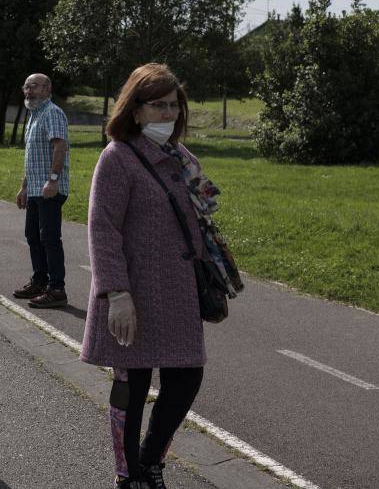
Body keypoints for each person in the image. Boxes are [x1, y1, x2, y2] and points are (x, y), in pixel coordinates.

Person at [81, 64, 241, 489]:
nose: (168, 114)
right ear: (135, 111)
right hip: (132, 294)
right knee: (131, 388)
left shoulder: (182, 159)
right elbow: (102, 228)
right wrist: (116, 293)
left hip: (177, 292)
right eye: (158, 105)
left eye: (174, 105)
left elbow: (199, 219)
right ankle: (128, 475)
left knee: (187, 376)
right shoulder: (117, 157)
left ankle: (152, 462)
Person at [12, 73, 70, 309]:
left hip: (50, 189)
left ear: (47, 88)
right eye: (26, 87)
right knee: (33, 236)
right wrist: (24, 186)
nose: (28, 91)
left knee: (49, 239)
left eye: (33, 86)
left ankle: (57, 289)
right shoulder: (34, 115)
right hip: (35, 188)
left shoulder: (52, 113)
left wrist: (53, 180)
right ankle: (39, 281)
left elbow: (60, 146)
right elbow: (33, 157)